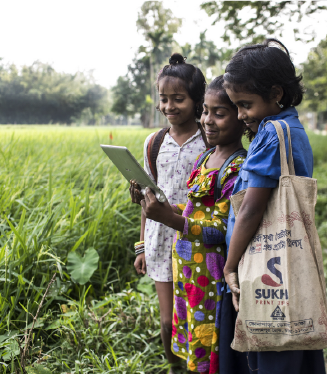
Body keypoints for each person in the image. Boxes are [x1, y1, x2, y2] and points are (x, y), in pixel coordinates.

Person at [220, 39, 326, 374]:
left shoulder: (272, 135)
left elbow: (250, 210)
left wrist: (229, 265)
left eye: (245, 104)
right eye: (235, 105)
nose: (240, 115)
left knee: (268, 354)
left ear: (276, 94)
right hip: (284, 267)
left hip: (261, 270)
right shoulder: (292, 129)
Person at [132, 75, 248, 373]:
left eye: (218, 113)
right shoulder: (207, 157)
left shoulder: (236, 167)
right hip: (185, 269)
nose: (208, 120)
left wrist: (171, 217)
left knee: (209, 343)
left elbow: (222, 229)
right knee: (184, 335)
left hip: (210, 276)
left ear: (243, 117)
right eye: (206, 112)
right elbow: (195, 208)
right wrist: (169, 208)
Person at [129, 53, 208, 373]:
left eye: (179, 99)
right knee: (167, 319)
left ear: (196, 99)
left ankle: (200, 365)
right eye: (164, 99)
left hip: (195, 237)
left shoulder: (208, 140)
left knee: (197, 312)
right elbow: (149, 197)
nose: (170, 106)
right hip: (159, 240)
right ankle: (174, 366)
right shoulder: (154, 141)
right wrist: (141, 245)